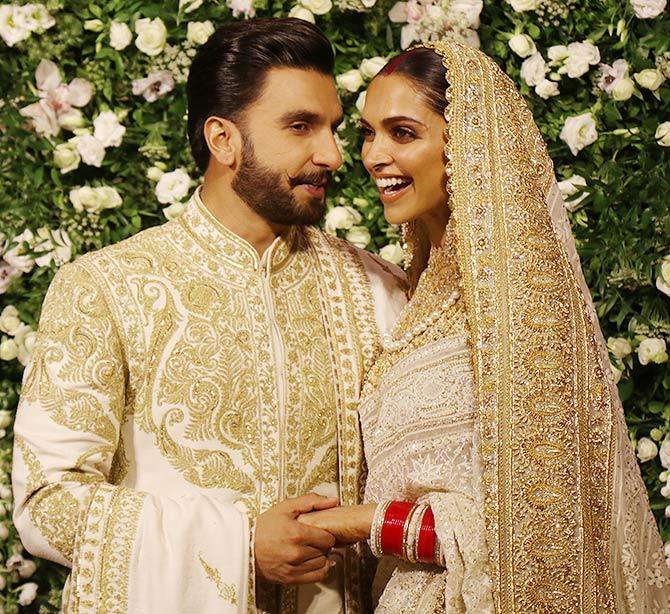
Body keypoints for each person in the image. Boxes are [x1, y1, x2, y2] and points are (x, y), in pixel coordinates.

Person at [11, 19, 406, 614]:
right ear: (223, 139)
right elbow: (47, 501)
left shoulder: (378, 289)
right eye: (300, 126)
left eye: (332, 128)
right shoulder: (107, 287)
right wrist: (240, 542)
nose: (331, 154)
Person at [298, 41, 670, 612]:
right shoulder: (420, 298)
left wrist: (360, 522)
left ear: (466, 147)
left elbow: (539, 529)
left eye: (403, 132)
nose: (374, 155)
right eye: (369, 133)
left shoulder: (524, 310)